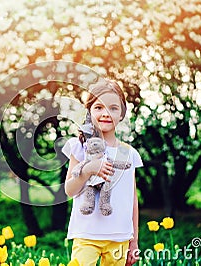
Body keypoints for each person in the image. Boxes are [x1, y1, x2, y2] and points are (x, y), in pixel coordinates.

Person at [62, 78, 143, 266]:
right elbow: (69, 189)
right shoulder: (79, 147)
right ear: (89, 111)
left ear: (122, 113)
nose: (106, 114)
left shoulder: (128, 153)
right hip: (86, 234)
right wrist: (89, 169)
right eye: (98, 107)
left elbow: (132, 199)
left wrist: (134, 240)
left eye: (113, 108)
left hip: (120, 237)